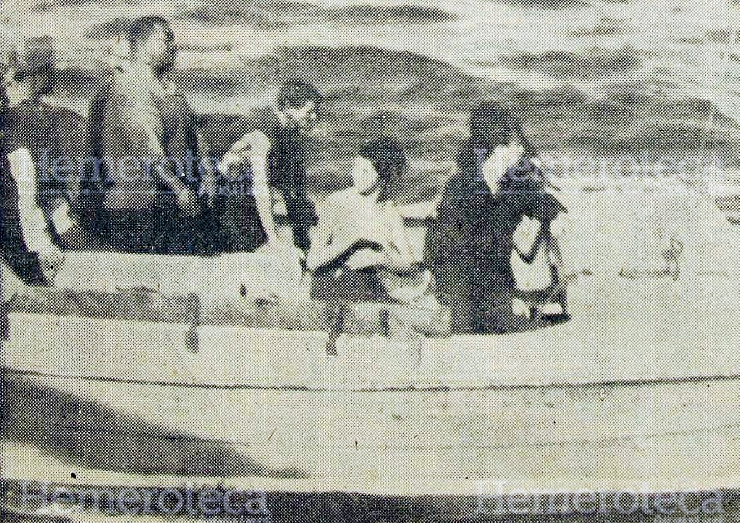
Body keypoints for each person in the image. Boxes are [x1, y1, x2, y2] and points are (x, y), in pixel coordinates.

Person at [428, 102, 564, 334]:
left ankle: (539, 297)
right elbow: (445, 246)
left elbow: (545, 207)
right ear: (495, 149)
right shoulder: (461, 187)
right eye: (515, 145)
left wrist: (553, 212)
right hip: (460, 283)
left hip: (493, 283)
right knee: (470, 323)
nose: (522, 151)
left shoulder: (514, 184)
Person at [89, 17, 210, 253]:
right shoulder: (131, 86)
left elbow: (193, 130)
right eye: (167, 39)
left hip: (164, 204)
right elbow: (147, 147)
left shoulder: (166, 89)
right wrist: (180, 189)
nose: (174, 46)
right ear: (144, 46)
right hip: (138, 210)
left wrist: (206, 172)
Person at [308, 137, 446, 333]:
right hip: (334, 283)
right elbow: (313, 262)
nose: (356, 175)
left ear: (383, 176)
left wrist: (381, 258)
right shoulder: (336, 203)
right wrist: (353, 240)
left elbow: (408, 264)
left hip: (369, 282)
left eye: (365, 171)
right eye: (355, 167)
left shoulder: (389, 212)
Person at [208, 80, 321, 257]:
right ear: (288, 107)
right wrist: (274, 240)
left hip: (244, 188)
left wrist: (303, 236)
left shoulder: (290, 130)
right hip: (225, 195)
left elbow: (294, 184)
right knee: (260, 244)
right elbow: (261, 190)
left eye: (316, 111)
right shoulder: (263, 135)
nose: (314, 117)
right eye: (309, 111)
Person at [0, 39, 75, 283]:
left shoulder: (19, 121)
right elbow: (26, 193)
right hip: (25, 232)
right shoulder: (27, 125)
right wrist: (42, 243)